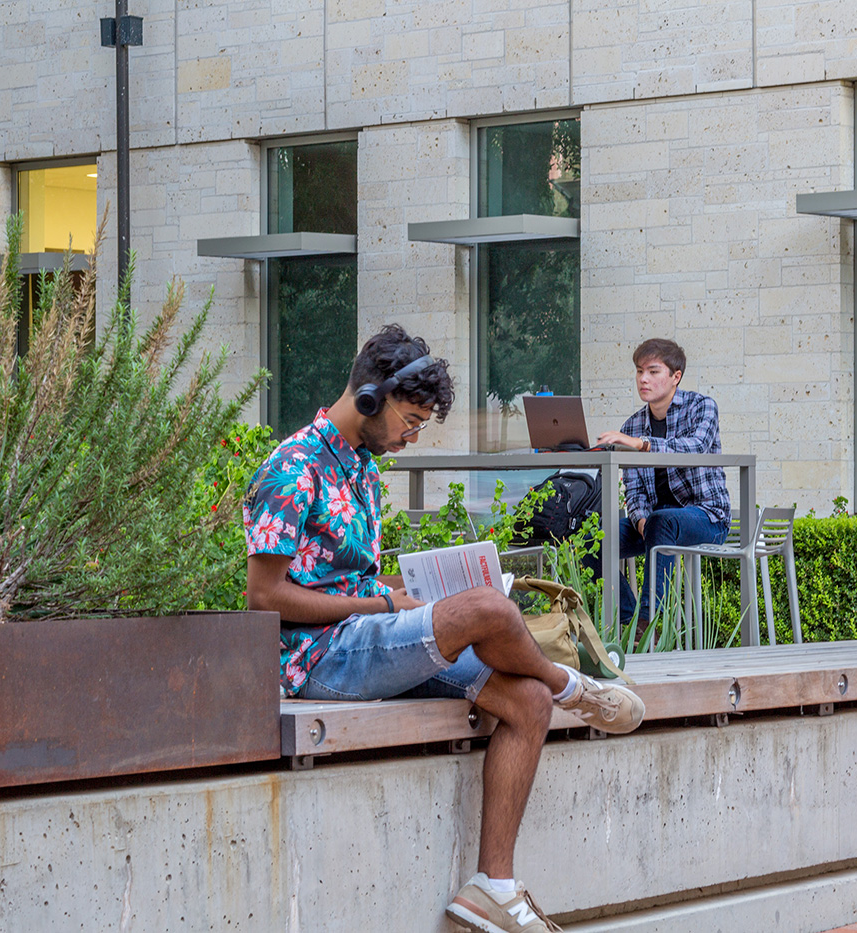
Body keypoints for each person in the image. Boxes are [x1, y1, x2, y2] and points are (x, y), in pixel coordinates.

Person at [244, 324, 645, 933]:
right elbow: (263, 596)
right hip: (319, 660)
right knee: (486, 609)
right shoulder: (292, 467)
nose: (411, 435)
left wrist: (397, 599)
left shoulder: (361, 466)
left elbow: (344, 578)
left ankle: (492, 890)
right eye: (410, 419)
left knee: (527, 700)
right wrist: (383, 610)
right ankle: (573, 686)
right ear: (371, 399)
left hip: (370, 637)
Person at [592, 338, 731, 626]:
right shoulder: (631, 426)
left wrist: (641, 445)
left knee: (662, 521)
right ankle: (630, 622)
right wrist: (640, 520)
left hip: (707, 517)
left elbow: (694, 447)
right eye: (639, 371)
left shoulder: (702, 407)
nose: (643, 379)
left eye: (653, 371)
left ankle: (649, 624)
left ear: (675, 377)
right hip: (655, 522)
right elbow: (634, 488)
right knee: (591, 539)